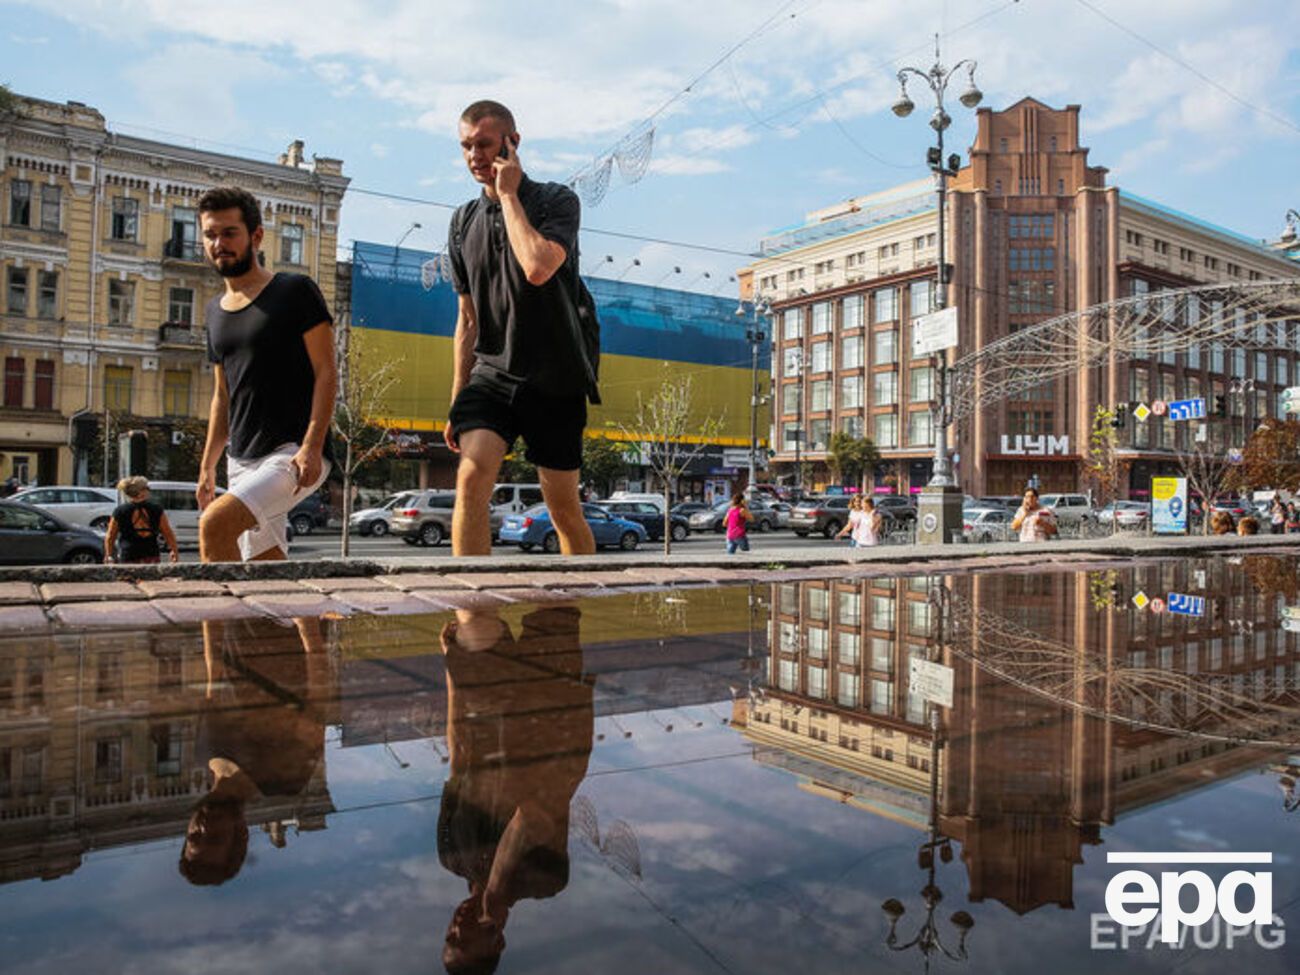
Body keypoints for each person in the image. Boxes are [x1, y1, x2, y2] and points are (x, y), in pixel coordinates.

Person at [444, 100, 598, 558]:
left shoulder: (556, 201)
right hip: (491, 376)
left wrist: (508, 195)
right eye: (466, 146)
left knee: (563, 509)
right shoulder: (462, 222)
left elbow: (537, 266)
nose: (475, 155)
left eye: (484, 144)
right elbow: (467, 319)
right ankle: (472, 600)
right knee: (470, 481)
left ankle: (580, 598)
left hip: (556, 376)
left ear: (512, 142)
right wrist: (457, 398)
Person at [438, 605, 592, 975]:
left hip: (488, 710)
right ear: (497, 942)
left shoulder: (451, 857)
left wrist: (452, 676)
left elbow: (458, 759)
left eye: (449, 937)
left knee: (472, 610)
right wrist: (494, 890)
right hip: (551, 713)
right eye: (463, 941)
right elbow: (532, 816)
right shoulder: (546, 880)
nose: (456, 928)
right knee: (556, 603)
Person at [194, 185, 337, 563]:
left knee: (215, 525)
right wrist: (207, 465)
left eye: (229, 233)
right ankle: (299, 608)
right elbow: (222, 396)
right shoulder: (214, 311)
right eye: (210, 234)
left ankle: (216, 607)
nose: (219, 244)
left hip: (291, 453)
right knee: (265, 563)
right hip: (240, 459)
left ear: (256, 236)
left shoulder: (294, 290)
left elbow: (326, 372)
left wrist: (312, 446)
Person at [180, 616, 332, 886]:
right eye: (215, 838)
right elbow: (318, 705)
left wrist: (210, 613)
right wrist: (307, 627)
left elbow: (214, 671)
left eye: (194, 836)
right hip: (289, 628)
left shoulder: (202, 756)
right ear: (241, 834)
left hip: (238, 616)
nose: (203, 827)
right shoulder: (284, 781)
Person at [103, 475, 178, 564]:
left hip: (129, 554)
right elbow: (167, 532)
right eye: (147, 488)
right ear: (141, 492)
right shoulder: (156, 509)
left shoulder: (120, 511)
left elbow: (110, 536)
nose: (149, 490)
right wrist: (174, 550)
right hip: (151, 554)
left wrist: (109, 555)